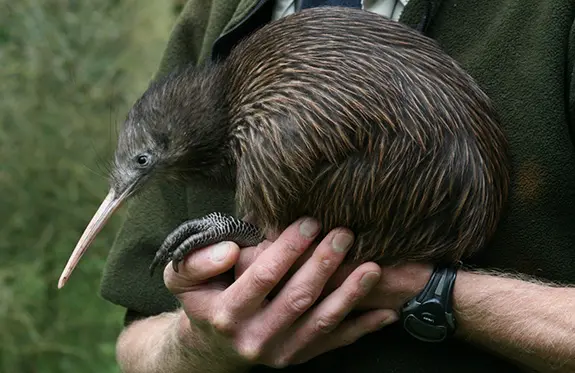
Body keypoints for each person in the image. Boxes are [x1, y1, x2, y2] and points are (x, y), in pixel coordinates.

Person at [98, 0, 575, 372]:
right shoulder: (217, 17)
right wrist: (200, 342)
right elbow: (139, 341)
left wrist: (428, 291)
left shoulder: (544, 18)